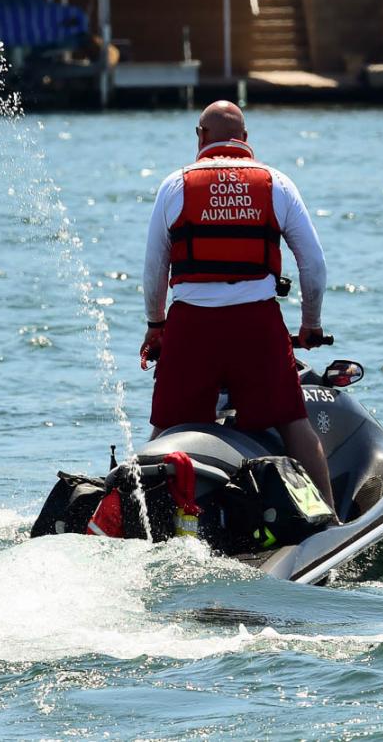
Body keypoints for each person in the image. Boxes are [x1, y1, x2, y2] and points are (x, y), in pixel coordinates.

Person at [140, 100, 338, 522]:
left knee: (166, 429)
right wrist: (311, 324)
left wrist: (156, 325)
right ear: (245, 139)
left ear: (200, 137)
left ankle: (138, 517)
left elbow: (155, 268)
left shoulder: (175, 185)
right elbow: (314, 264)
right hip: (257, 325)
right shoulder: (276, 183)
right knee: (292, 421)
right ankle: (331, 521)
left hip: (191, 327)